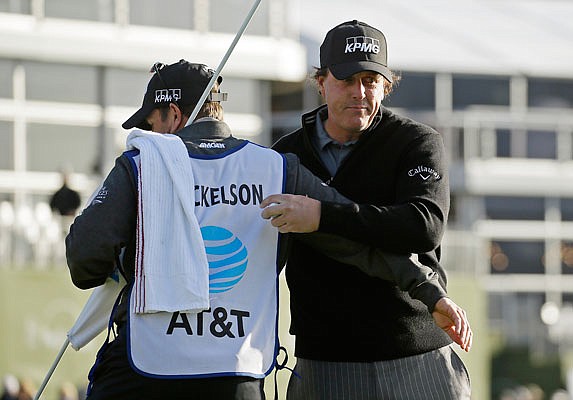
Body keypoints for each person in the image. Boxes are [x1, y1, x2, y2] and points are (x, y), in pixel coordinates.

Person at [66, 59, 470, 400]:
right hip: (238, 375)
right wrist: (428, 291)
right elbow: (354, 241)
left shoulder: (141, 164)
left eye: (152, 123)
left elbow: (84, 259)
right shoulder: (277, 168)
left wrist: (128, 259)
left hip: (146, 372)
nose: (151, 135)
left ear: (173, 115)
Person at [261, 20, 473, 399]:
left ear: (385, 86)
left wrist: (322, 216)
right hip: (325, 364)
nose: (360, 92)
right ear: (321, 81)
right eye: (346, 80)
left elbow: (422, 226)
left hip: (416, 355)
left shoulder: (417, 142)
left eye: (371, 81)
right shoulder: (285, 155)